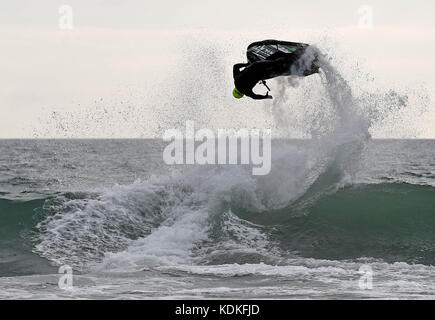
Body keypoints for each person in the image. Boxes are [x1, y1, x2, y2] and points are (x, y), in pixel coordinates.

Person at [233, 46, 319, 100]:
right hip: (257, 66)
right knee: (275, 61)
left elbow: (256, 97)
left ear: (241, 94)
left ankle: (303, 53)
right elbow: (235, 66)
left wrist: (265, 97)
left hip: (263, 73)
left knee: (280, 66)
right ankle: (286, 54)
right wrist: (246, 64)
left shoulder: (247, 92)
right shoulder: (236, 79)